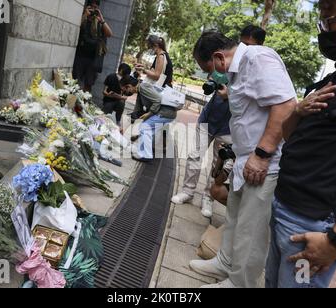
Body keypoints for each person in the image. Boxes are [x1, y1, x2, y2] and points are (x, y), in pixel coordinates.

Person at [266, 0, 336, 288]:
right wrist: (298, 111)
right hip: (286, 213)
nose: (325, 30)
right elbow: (293, 136)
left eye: (332, 20)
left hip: (314, 232)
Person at [189, 31, 296, 288]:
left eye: (209, 69)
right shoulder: (236, 72)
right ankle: (225, 261)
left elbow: (285, 106)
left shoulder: (259, 59)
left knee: (251, 228)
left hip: (264, 163)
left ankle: (240, 283)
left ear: (218, 57)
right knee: (235, 218)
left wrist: (262, 155)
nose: (210, 76)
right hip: (244, 159)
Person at [171, 88, 232, 218]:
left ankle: (209, 197)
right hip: (207, 119)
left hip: (229, 128)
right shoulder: (224, 70)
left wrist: (231, 94)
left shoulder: (249, 74)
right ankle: (187, 191)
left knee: (218, 163)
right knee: (195, 155)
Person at [120, 76, 177, 163]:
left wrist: (150, 113)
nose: (125, 93)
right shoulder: (140, 91)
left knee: (145, 128)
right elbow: (137, 111)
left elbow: (158, 99)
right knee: (146, 130)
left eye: (124, 90)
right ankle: (142, 153)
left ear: (129, 86)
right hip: (165, 113)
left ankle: (146, 155)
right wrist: (125, 127)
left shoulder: (143, 87)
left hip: (165, 113)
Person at [131, 35, 174, 122]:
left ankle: (136, 117)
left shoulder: (160, 56)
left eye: (150, 47)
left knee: (142, 90)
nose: (149, 50)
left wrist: (143, 70)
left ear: (155, 45)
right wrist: (143, 67)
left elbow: (157, 75)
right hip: (160, 90)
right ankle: (136, 117)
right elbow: (156, 71)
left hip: (160, 91)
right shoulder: (162, 55)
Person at [73, 0, 113, 92]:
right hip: (80, 55)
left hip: (93, 59)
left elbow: (109, 34)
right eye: (91, 7)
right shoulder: (84, 18)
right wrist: (85, 14)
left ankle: (84, 102)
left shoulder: (99, 22)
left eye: (96, 7)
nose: (93, 9)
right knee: (75, 80)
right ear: (87, 7)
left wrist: (102, 19)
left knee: (88, 83)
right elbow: (76, 26)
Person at [102, 63, 131, 128]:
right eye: (127, 73)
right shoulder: (111, 76)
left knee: (121, 103)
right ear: (121, 70)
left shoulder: (126, 80)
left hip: (118, 101)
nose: (127, 75)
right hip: (109, 100)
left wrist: (126, 90)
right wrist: (108, 94)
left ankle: (118, 121)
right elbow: (104, 91)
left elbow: (125, 97)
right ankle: (103, 119)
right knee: (105, 114)